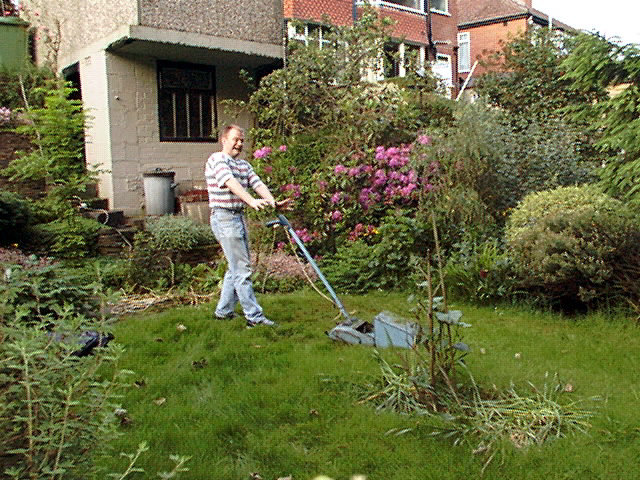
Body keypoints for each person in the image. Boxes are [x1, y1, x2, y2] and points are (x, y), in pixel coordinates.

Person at [205, 124, 279, 327]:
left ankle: (224, 311)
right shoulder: (217, 160)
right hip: (224, 218)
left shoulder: (244, 165)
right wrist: (251, 201)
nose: (239, 144)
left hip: (237, 218)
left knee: (235, 267)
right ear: (224, 140)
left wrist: (273, 202)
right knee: (242, 270)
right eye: (235, 139)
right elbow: (230, 182)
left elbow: (257, 183)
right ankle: (254, 318)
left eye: (241, 141)